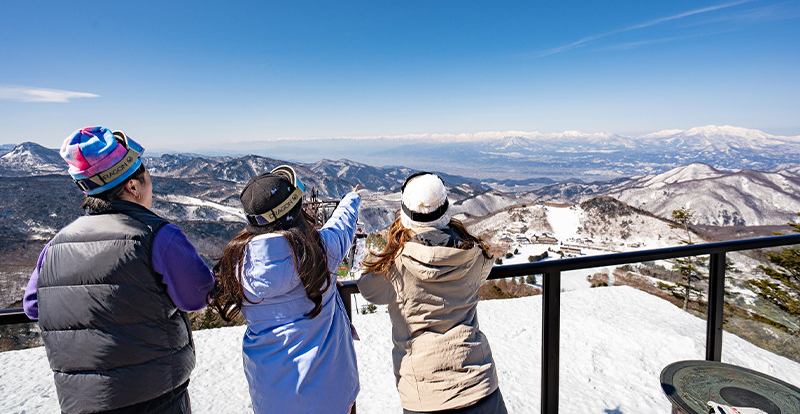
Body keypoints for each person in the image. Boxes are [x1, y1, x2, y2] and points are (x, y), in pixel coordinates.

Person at [22, 126, 215, 413]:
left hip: (79, 403)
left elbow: (33, 306)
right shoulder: (158, 236)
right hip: (154, 396)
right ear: (132, 187)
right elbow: (197, 296)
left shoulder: (55, 246)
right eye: (148, 179)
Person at [209, 166, 360, 414]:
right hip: (332, 395)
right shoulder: (321, 252)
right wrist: (351, 199)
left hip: (271, 397)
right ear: (296, 212)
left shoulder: (235, 266)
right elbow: (342, 226)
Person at [357, 172, 507, 414]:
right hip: (481, 385)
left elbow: (368, 289)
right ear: (446, 210)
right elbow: (485, 268)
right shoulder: (474, 255)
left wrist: (390, 244)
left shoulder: (396, 265)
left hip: (426, 395)